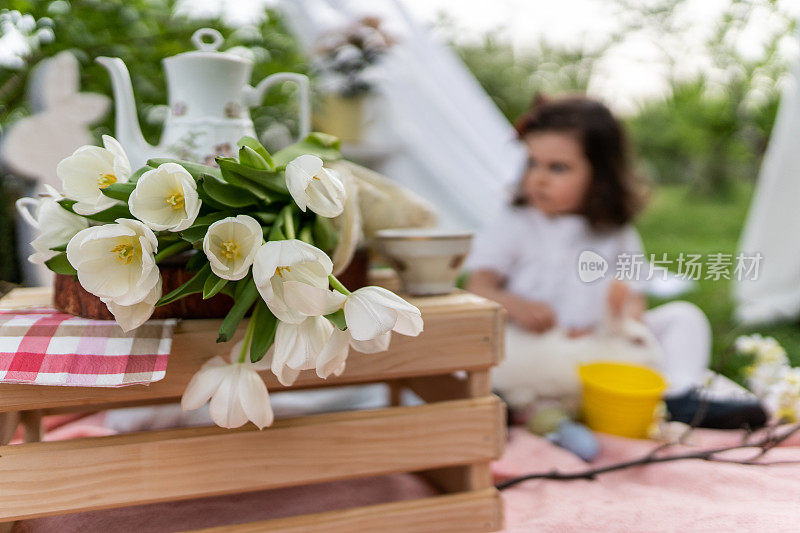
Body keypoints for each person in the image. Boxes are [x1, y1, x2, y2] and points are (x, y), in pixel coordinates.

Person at [466, 95, 765, 429]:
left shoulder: (614, 232)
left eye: (558, 168)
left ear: (600, 175)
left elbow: (635, 296)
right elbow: (479, 287)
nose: (539, 178)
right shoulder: (517, 223)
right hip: (537, 343)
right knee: (492, 352)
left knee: (685, 318)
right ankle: (513, 397)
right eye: (533, 163)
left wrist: (623, 317)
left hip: (599, 347)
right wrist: (515, 305)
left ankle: (678, 396)